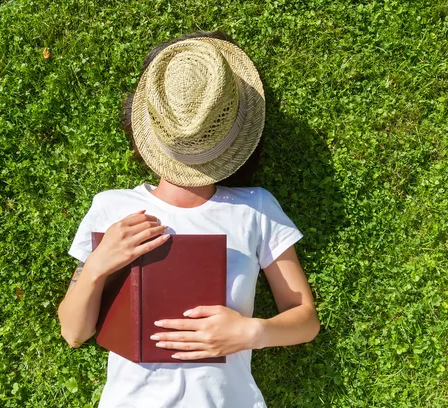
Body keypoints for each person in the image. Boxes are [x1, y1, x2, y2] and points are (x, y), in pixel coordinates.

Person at [58, 30, 321, 408]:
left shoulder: (256, 208)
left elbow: (305, 320)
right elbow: (73, 332)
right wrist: (97, 265)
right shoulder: (111, 207)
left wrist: (251, 332)